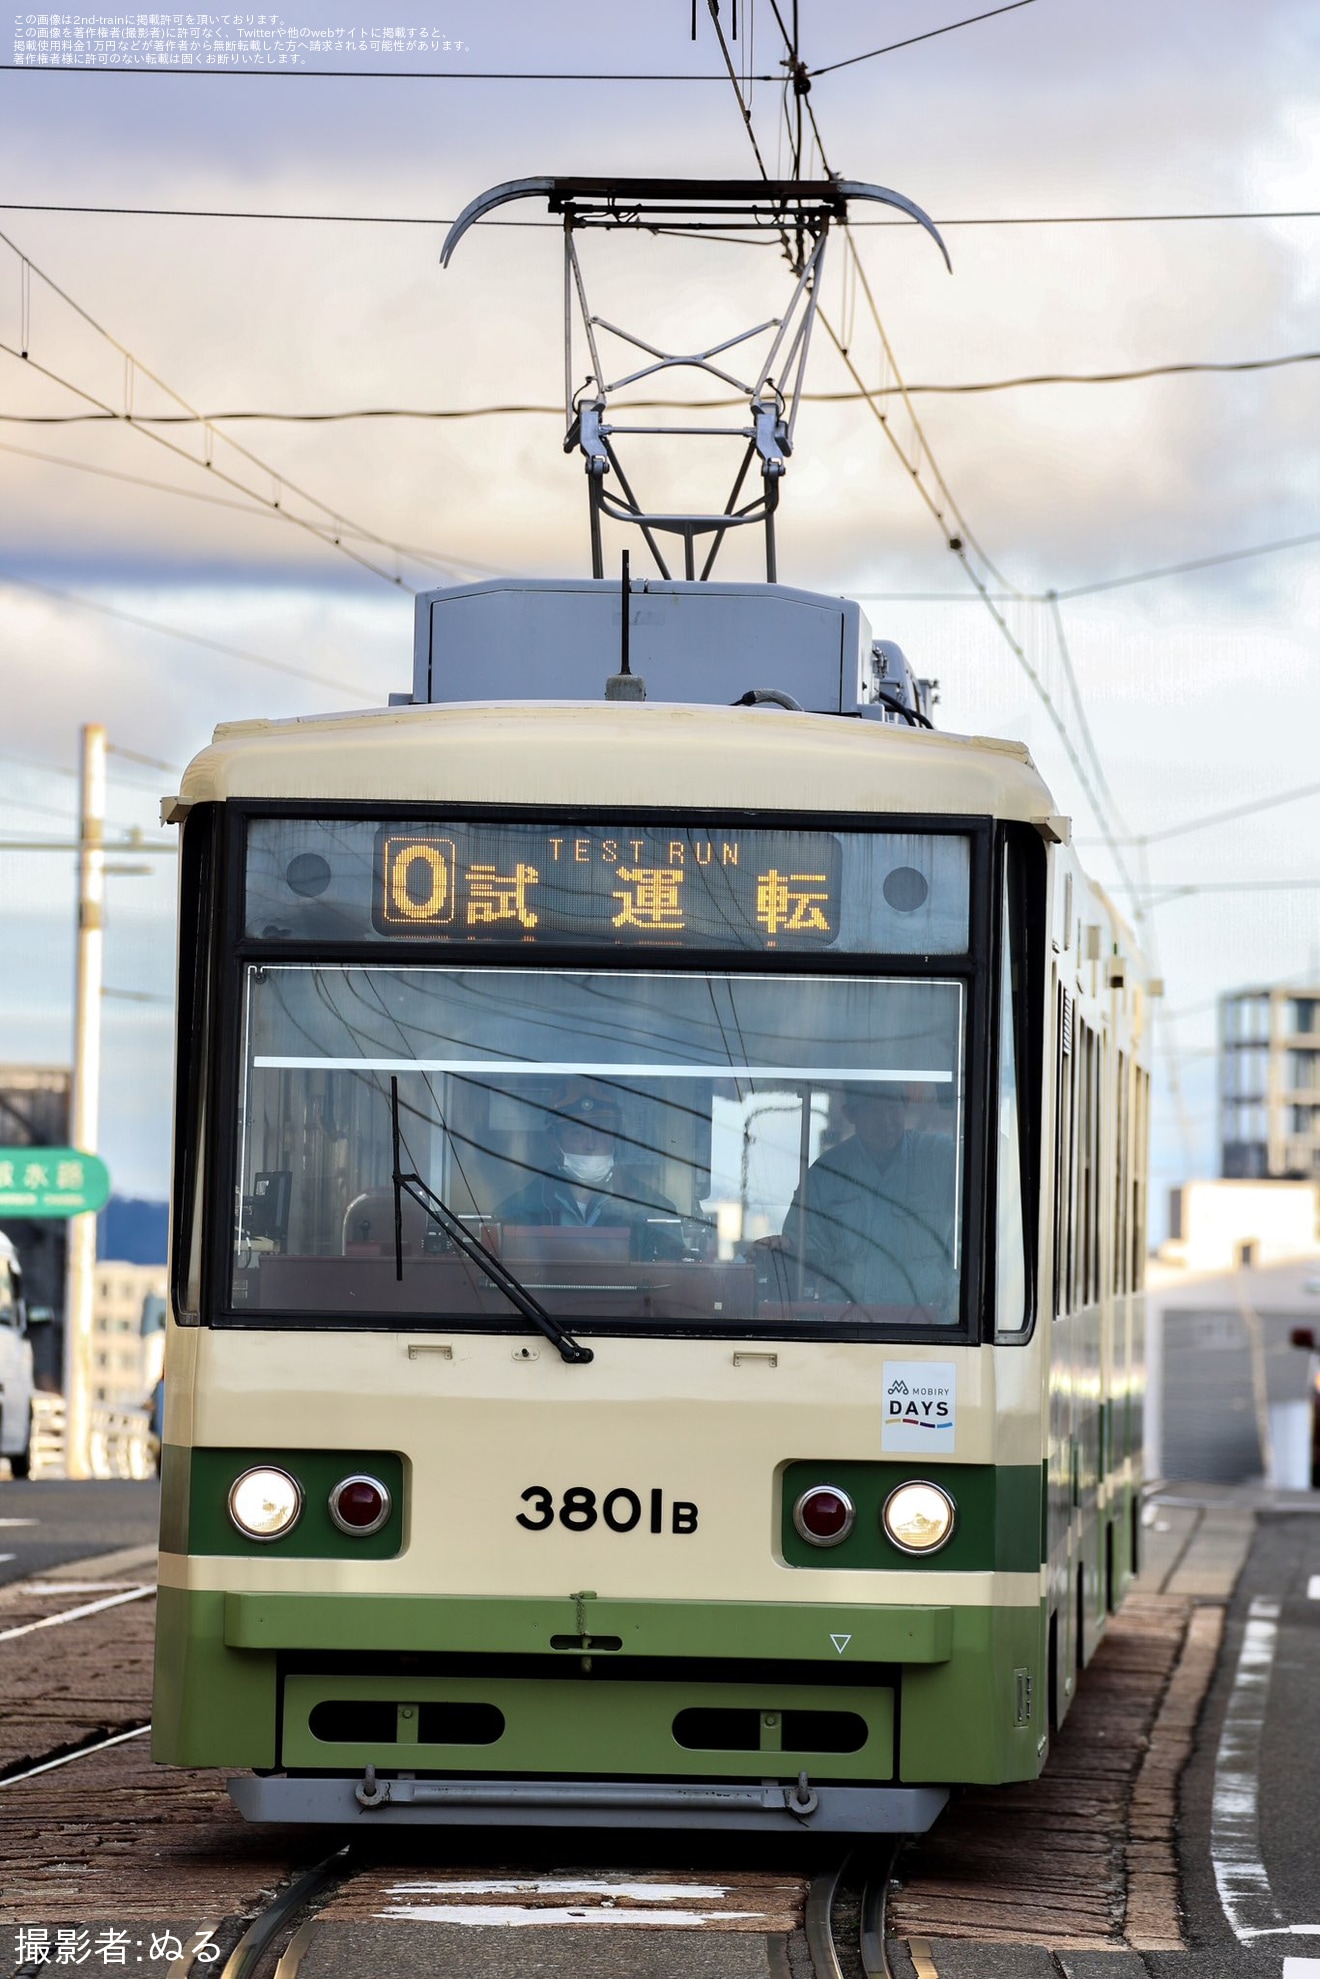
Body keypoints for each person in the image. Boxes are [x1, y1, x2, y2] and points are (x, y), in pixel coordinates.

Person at [781, 1081, 959, 1318]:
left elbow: (999, 1162)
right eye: (873, 1110)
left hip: (933, 1334)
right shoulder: (824, 1177)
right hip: (846, 1334)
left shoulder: (941, 1158)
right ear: (850, 1114)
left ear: (905, 1107)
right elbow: (801, 1261)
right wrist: (781, 1252)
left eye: (892, 1107)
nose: (886, 1120)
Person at [494, 1087, 686, 1261]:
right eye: (577, 1133)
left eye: (600, 1132)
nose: (591, 1144)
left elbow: (670, 1284)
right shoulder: (519, 1211)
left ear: (615, 1138)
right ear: (555, 1144)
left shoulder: (655, 1211)